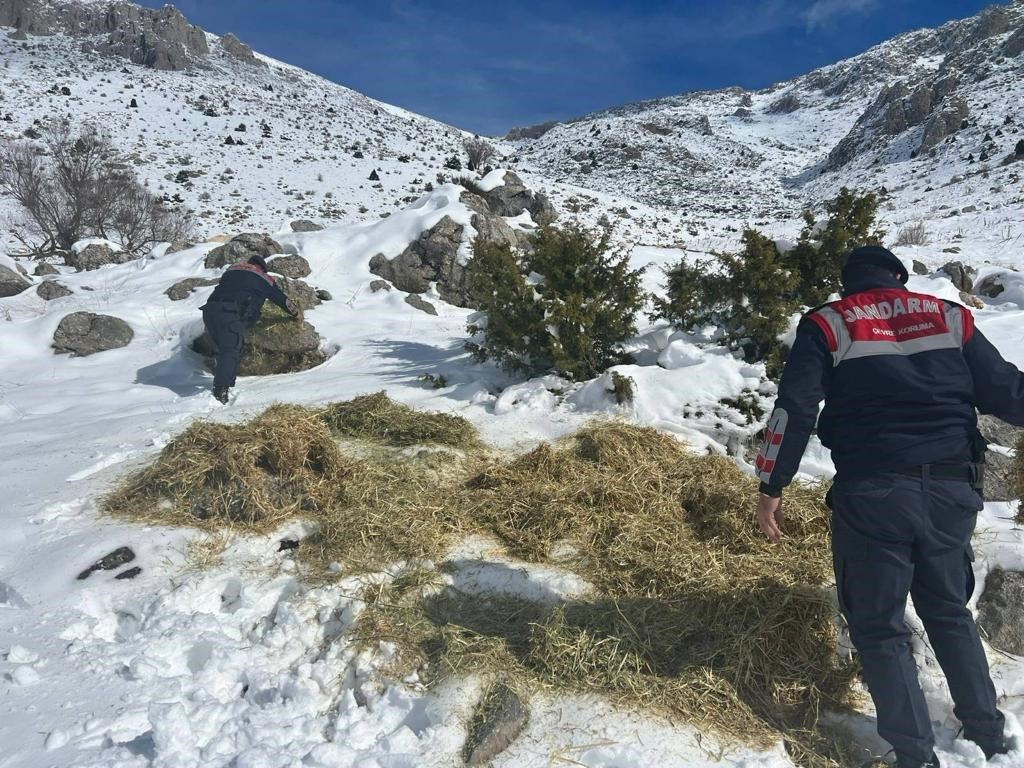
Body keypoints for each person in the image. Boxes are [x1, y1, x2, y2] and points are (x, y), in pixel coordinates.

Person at [753, 245, 1022, 768]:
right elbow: (1008, 392)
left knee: (878, 626)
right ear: (898, 278)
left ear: (848, 284)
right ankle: (988, 734)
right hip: (952, 490)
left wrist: (772, 483)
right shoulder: (949, 316)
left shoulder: (829, 323)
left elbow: (795, 407)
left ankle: (916, 754)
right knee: (948, 611)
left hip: (873, 493)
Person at [201, 255, 301, 403]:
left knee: (230, 347)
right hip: (230, 312)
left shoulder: (232, 270)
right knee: (231, 350)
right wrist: (296, 313)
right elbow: (282, 300)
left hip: (209, 311)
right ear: (263, 268)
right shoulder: (264, 277)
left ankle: (228, 379)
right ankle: (220, 392)